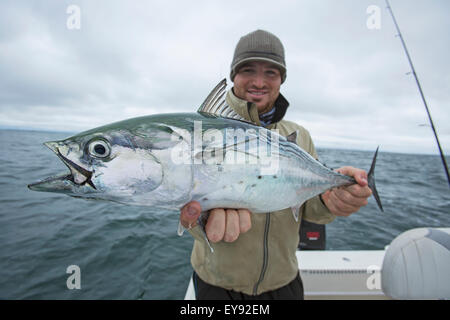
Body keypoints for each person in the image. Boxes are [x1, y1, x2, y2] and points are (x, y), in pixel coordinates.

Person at [179, 30, 372, 299]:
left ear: (282, 80)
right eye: (248, 70)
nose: (259, 81)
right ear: (233, 75)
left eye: (271, 72)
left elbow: (310, 208)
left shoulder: (299, 135)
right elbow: (187, 199)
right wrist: (200, 221)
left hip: (284, 282)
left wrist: (332, 198)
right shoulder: (204, 132)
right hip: (217, 284)